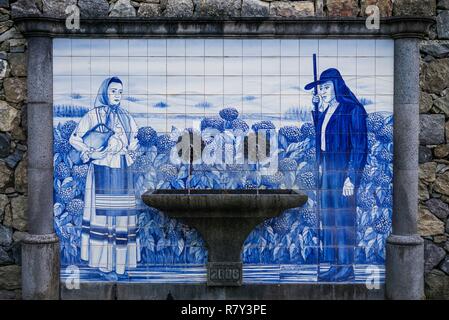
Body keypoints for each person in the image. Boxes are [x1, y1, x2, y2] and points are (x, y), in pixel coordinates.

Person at [69, 76, 140, 279]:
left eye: (119, 91)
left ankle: (120, 266)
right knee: (103, 217)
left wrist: (128, 150)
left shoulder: (126, 117)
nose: (117, 95)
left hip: (122, 171)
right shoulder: (94, 115)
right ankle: (103, 264)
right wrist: (91, 152)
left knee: (121, 219)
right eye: (113, 91)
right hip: (101, 170)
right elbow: (74, 138)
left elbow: (134, 139)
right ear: (104, 93)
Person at [304, 68, 368, 282]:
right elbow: (322, 136)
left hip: (343, 171)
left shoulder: (352, 110)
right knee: (329, 218)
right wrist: (317, 110)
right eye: (320, 88)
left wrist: (351, 177)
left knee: (343, 219)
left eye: (325, 87)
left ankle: (346, 266)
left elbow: (360, 147)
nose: (321, 91)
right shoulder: (326, 110)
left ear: (337, 87)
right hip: (328, 170)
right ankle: (334, 265)